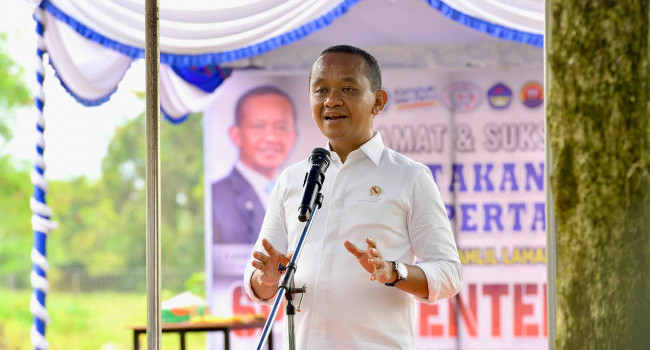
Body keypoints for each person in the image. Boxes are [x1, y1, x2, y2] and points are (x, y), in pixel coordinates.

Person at [244, 45, 463, 349]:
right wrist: (267, 279)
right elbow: (257, 279)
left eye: (348, 88)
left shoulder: (409, 177)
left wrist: (394, 272)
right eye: (320, 90)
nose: (332, 101)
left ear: (378, 102)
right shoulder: (292, 180)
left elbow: (449, 273)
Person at [212, 86, 297, 244]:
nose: (271, 138)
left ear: (293, 137)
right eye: (258, 126)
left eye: (281, 127)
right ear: (236, 135)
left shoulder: (304, 193)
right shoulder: (216, 198)